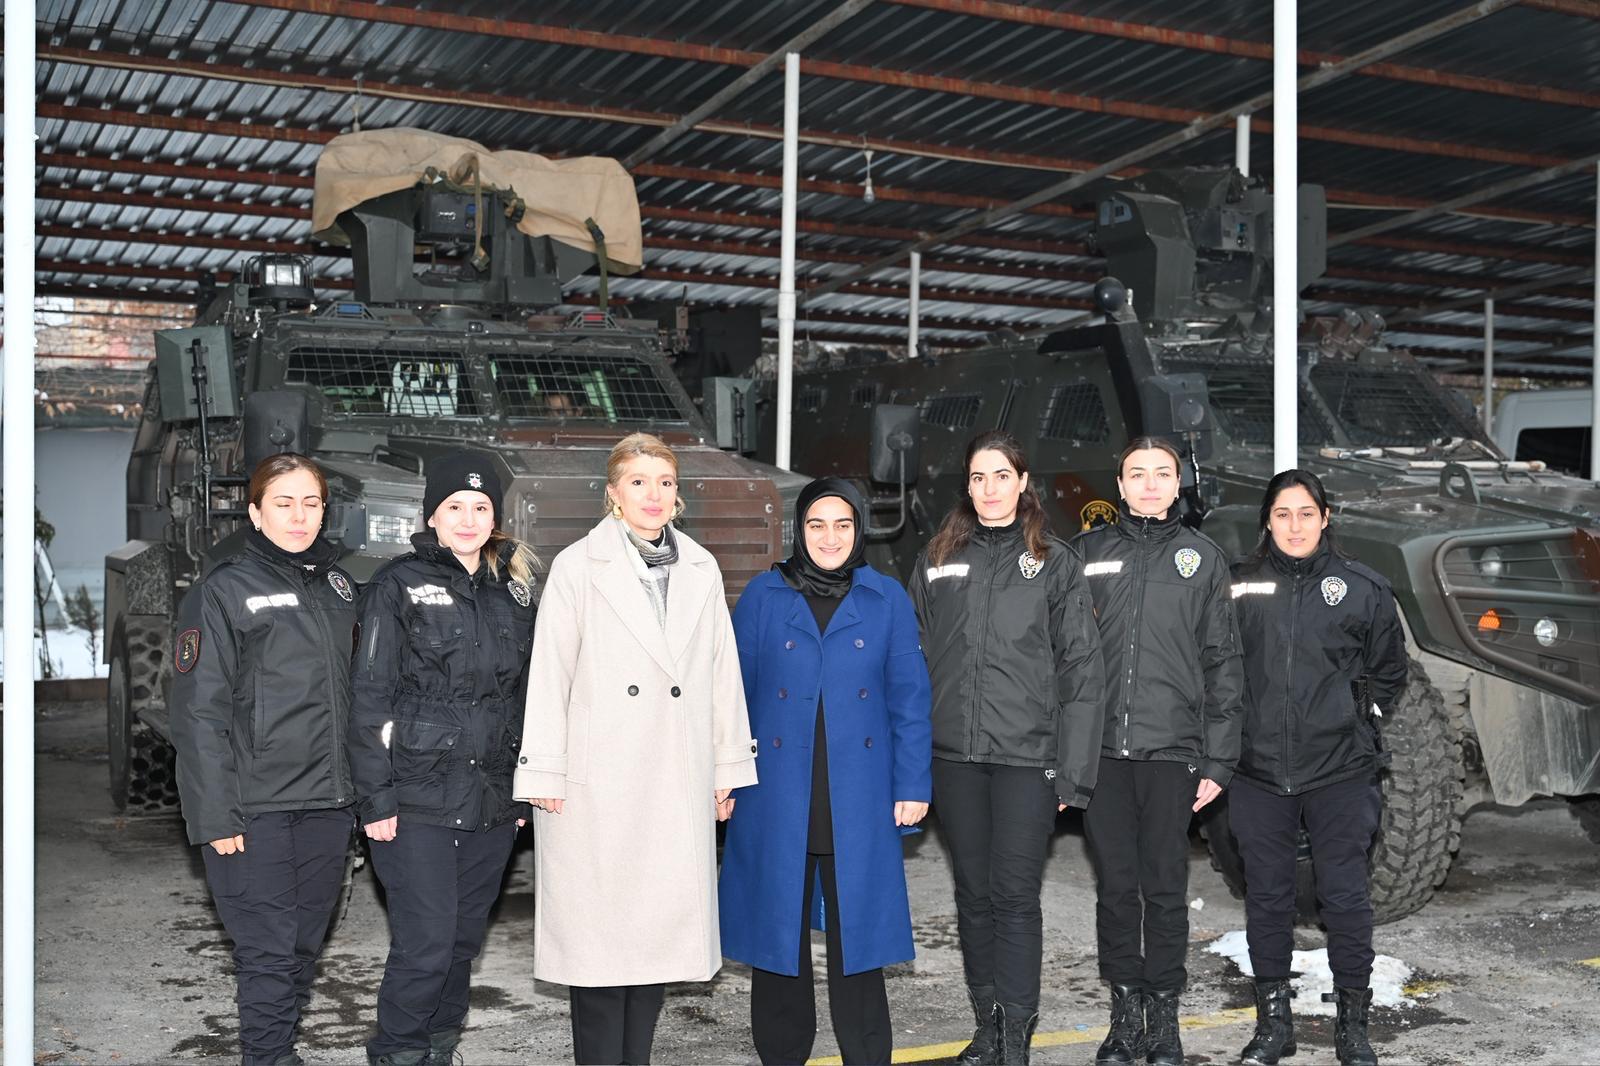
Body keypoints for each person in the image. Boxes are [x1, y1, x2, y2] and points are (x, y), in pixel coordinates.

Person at [513, 431, 758, 1065]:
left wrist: (726, 766)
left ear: (678, 498)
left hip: (673, 775)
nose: (654, 495)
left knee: (653, 945)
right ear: (613, 495)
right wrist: (545, 769)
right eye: (640, 483)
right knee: (598, 953)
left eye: (666, 483)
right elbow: (549, 674)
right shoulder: (576, 565)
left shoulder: (701, 567)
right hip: (600, 783)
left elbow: (721, 673)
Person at [907, 430, 1105, 1066]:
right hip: (955, 757)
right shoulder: (938, 558)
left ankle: (1016, 1036)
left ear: (1023, 482)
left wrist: (1072, 775)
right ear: (967, 487)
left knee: (1014, 896)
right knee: (972, 893)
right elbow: (911, 661)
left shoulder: (1054, 561)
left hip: (1028, 758)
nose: (988, 489)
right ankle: (986, 1027)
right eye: (976, 478)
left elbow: (1081, 669)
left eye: (1000, 475)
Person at [720, 478, 933, 1064]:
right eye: (817, 524)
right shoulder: (764, 594)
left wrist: (913, 784)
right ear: (799, 530)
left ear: (859, 530)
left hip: (858, 795)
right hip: (776, 794)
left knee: (858, 943)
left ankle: (866, 1054)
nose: (830, 537)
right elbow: (731, 696)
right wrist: (725, 775)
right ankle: (782, 1055)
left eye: (843, 525)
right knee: (777, 940)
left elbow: (909, 698)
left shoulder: (884, 596)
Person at [348, 450, 539, 1066]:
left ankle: (440, 1048)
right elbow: (370, 696)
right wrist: (375, 798)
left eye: (481, 508)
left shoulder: (513, 594)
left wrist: (520, 793)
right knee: (425, 944)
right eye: (455, 506)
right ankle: (399, 1054)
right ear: (433, 515)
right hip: (416, 797)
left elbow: (524, 697)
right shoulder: (396, 584)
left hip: (490, 799)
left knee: (461, 943)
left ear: (495, 519)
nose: (468, 518)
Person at [169, 453, 359, 1066]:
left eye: (311, 503)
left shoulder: (339, 587)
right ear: (254, 511)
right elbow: (197, 712)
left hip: (328, 805)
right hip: (254, 810)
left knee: (303, 949)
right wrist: (215, 816)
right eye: (284, 502)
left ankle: (278, 1052)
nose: (299, 516)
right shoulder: (223, 591)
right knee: (268, 955)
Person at [1075, 435, 1245, 1066]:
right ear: (1118, 486)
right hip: (1100, 759)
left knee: (1165, 888)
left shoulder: (1203, 560)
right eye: (1136, 474)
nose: (1149, 484)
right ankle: (1125, 1016)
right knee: (1117, 888)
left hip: (1174, 754)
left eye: (1162, 474)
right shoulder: (1085, 554)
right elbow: (1059, 663)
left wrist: (1220, 758)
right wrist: (1065, 756)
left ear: (1179, 485)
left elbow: (1223, 664)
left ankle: (1164, 1017)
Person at [1227, 470, 1407, 1066]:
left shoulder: (1363, 587)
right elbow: (1217, 668)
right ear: (1267, 521)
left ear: (1326, 518)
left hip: (1341, 770)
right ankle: (1273, 1027)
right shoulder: (1237, 585)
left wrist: (1359, 716)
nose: (1295, 525)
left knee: (1345, 897)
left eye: (1307, 513)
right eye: (1283, 514)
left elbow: (1390, 671)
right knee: (1268, 899)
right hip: (1256, 774)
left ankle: (1352, 1029)